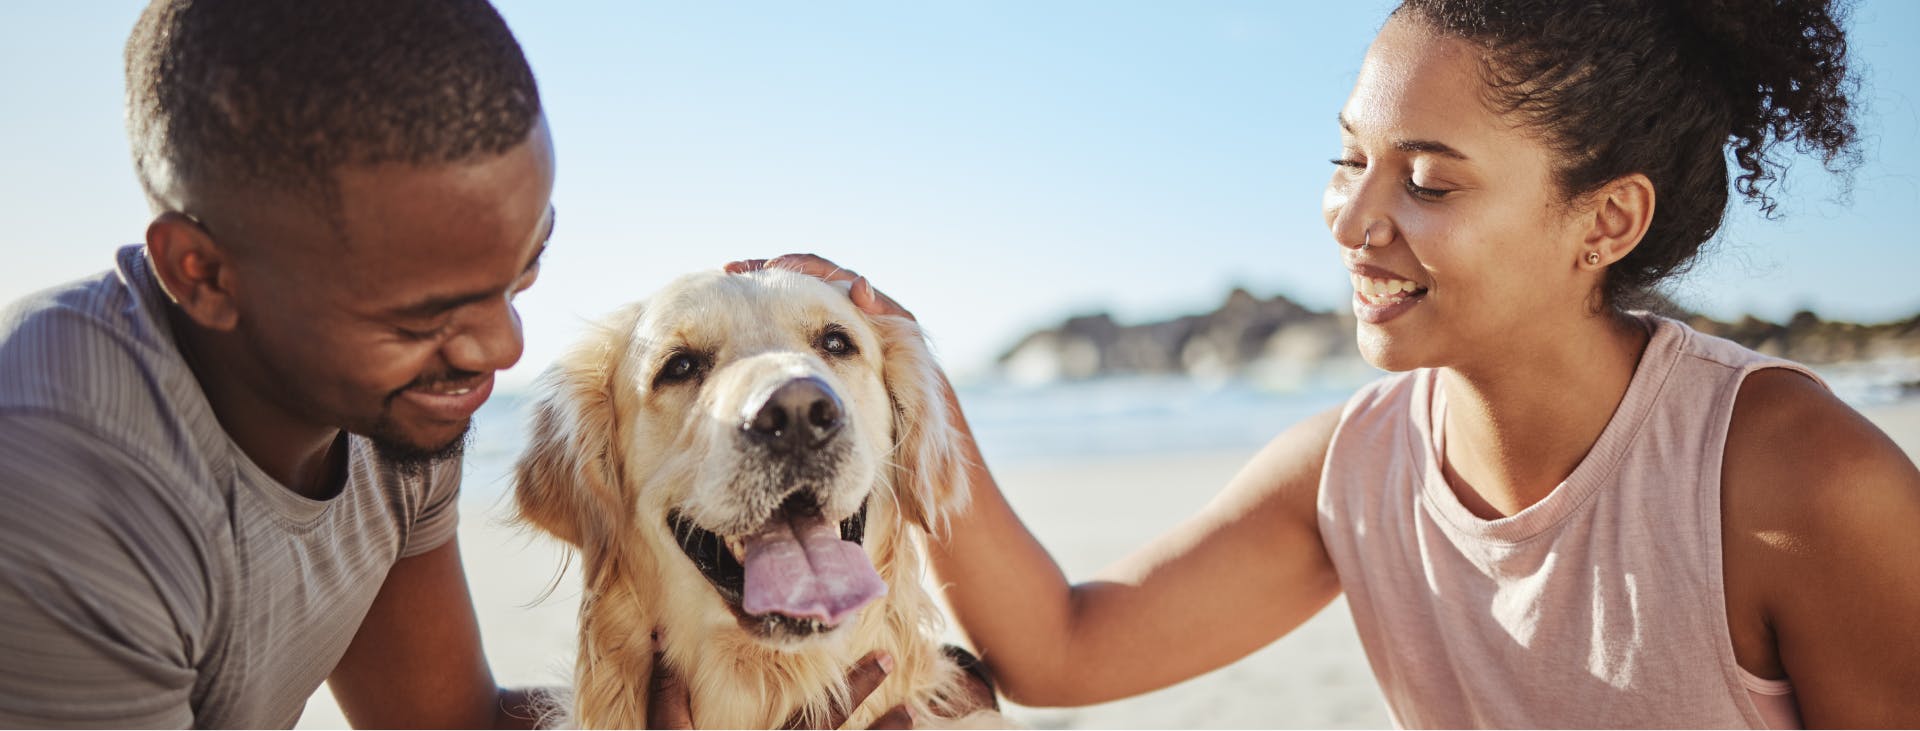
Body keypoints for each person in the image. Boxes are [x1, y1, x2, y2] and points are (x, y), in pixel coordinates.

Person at [749, 0, 1920, 727]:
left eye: (1430, 181)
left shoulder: (1797, 480)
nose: (1353, 220)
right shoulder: (1355, 471)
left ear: (1603, 222)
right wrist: (908, 382)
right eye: (1348, 157)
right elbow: (1062, 644)